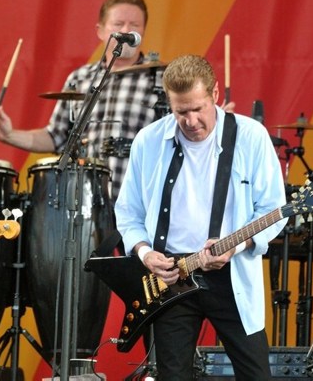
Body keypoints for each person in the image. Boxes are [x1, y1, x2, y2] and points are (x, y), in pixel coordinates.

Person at [115, 55, 287, 380]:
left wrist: (235, 247)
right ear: (169, 103)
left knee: (256, 374)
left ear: (216, 95)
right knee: (172, 375)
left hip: (231, 272)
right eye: (181, 111)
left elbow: (273, 211)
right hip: (170, 277)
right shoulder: (148, 141)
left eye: (198, 109)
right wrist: (143, 252)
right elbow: (128, 212)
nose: (191, 121)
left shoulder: (251, 136)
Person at [0, 0, 159, 201]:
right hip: (82, 204)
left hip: (138, 203)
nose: (126, 31)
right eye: (118, 24)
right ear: (101, 31)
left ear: (143, 31)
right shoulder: (81, 78)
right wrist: (9, 134)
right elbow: (56, 137)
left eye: (135, 25)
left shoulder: (159, 78)